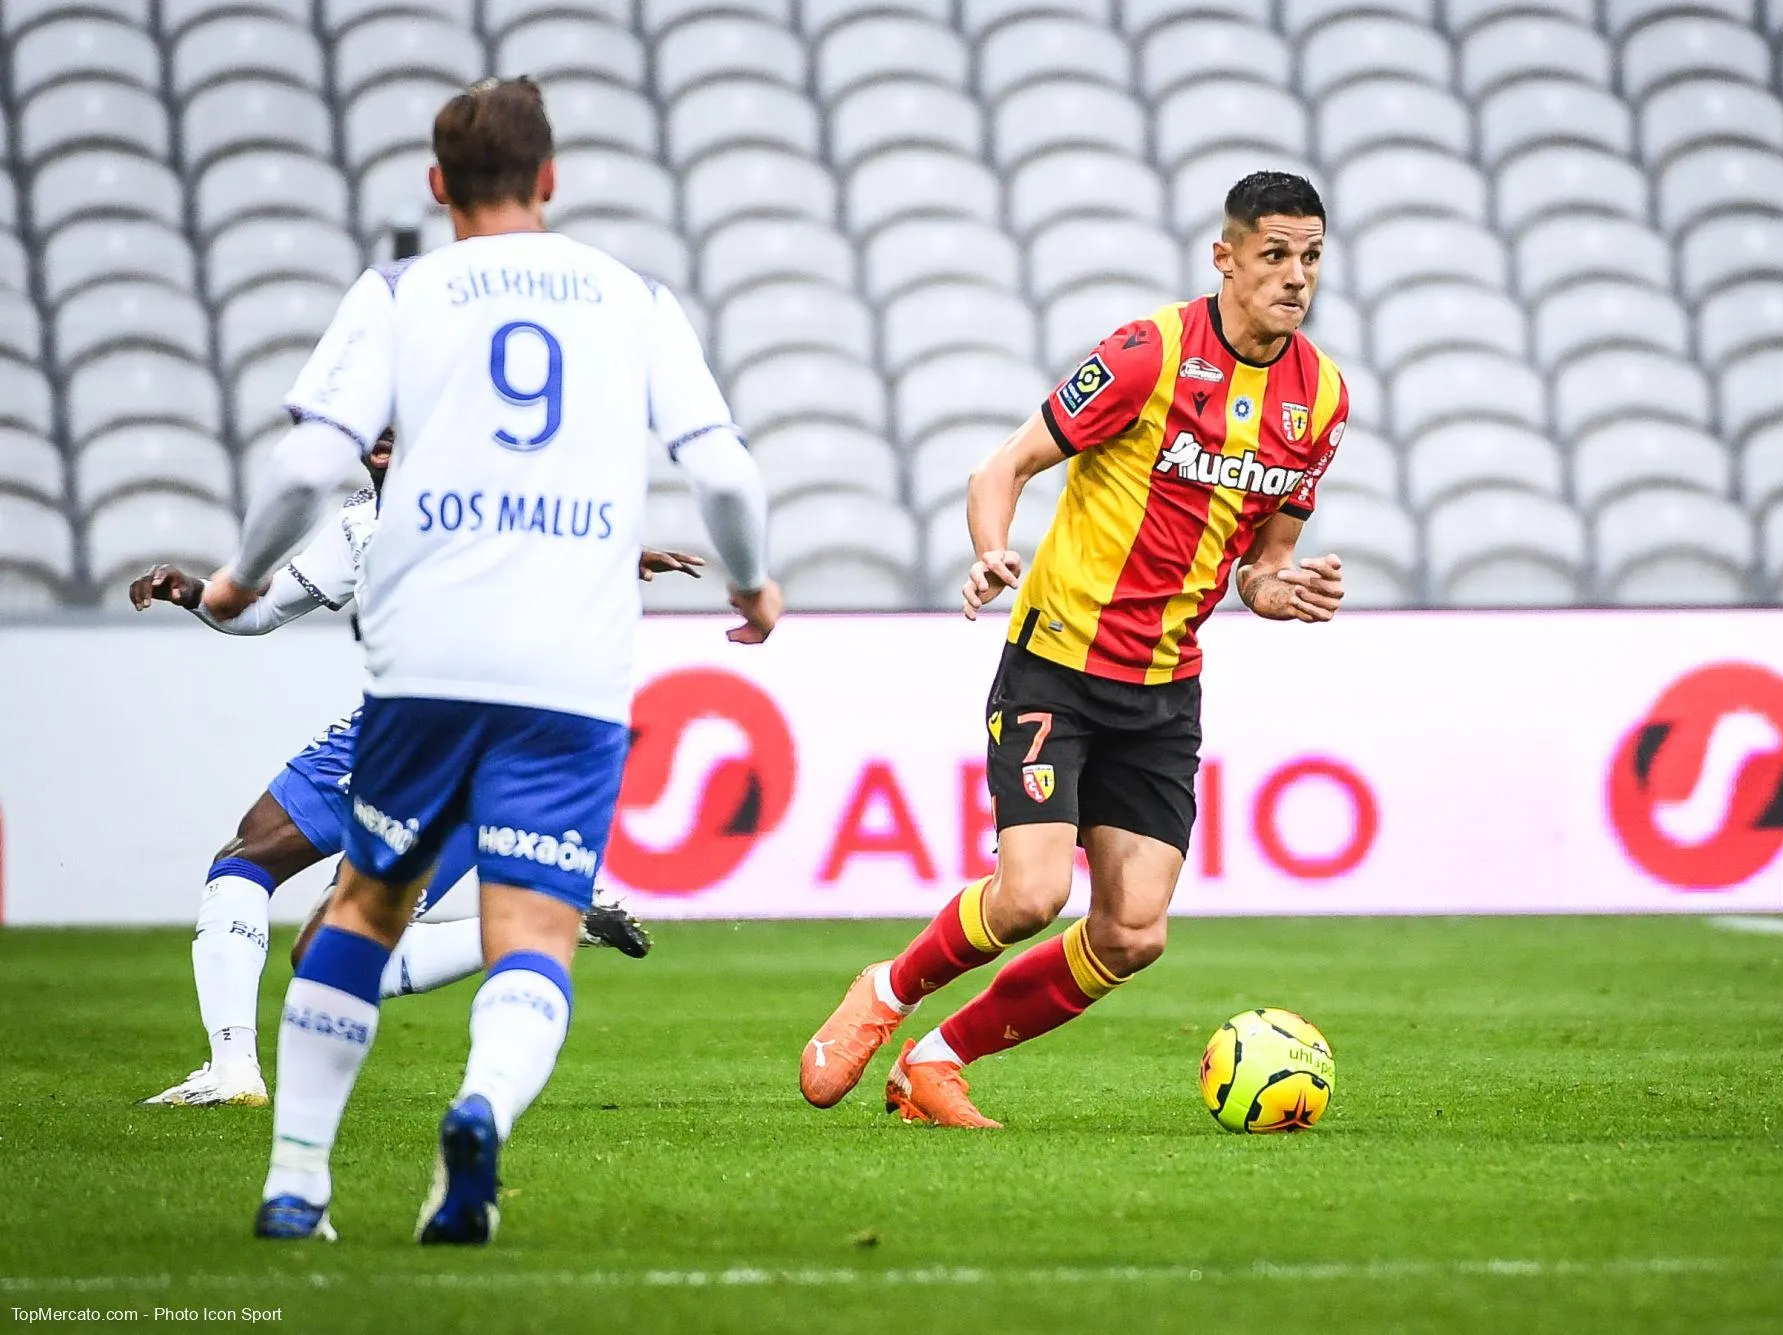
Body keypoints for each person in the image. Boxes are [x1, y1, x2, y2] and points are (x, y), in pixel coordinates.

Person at [202, 77, 777, 1242]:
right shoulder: (631, 297)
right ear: (550, 180)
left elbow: (312, 466)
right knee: (536, 930)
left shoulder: (401, 290)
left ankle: (297, 1184)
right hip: (567, 672)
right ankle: (478, 1113)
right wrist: (754, 585)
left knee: (363, 906)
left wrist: (238, 577)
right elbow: (722, 474)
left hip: (425, 664)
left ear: (436, 188)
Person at [800, 170, 1347, 1128]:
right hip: (1058, 660)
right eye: (1273, 256)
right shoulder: (1148, 354)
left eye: (1308, 257)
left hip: (1167, 688)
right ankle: (885, 992)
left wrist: (1279, 591)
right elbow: (1001, 465)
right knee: (1030, 894)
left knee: (1134, 931)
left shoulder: (1323, 398)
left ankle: (936, 1064)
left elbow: (1264, 565)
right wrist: (990, 549)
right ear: (1225, 257)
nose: (1294, 278)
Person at [130, 427, 679, 1109]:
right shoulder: (358, 524)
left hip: (468, 746)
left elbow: (551, 547)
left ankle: (547, 925)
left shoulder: (483, 506)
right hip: (383, 728)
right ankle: (231, 1068)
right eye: (376, 419)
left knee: (327, 951)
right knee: (245, 857)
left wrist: (608, 560)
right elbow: (260, 611)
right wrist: (197, 593)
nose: (386, 431)